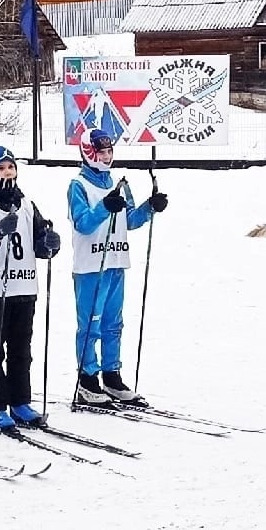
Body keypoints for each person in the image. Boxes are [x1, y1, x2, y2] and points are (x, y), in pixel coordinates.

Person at [0, 141, 60, 429]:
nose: (7, 173)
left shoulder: (27, 204)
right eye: (0, 168)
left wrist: (49, 244)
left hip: (24, 289)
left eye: (11, 167)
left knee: (21, 350)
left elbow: (39, 241)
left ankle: (20, 400)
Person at [66, 127, 165, 407]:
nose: (107, 157)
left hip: (116, 261)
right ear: (88, 153)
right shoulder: (78, 186)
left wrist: (150, 207)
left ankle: (112, 375)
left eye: (110, 152)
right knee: (91, 325)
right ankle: (87, 380)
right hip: (90, 265)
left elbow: (130, 220)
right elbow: (82, 223)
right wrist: (104, 208)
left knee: (113, 324)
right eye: (101, 152)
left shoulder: (119, 183)